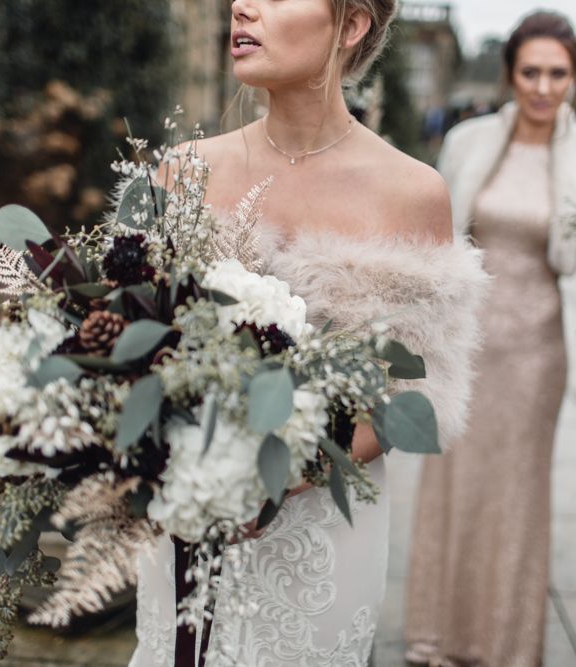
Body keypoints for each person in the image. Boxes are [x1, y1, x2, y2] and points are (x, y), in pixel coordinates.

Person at [129, 1, 487, 664]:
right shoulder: (180, 170)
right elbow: (133, 347)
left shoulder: (412, 193)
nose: (242, 6)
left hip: (321, 531)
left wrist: (281, 470)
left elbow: (416, 395)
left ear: (349, 25)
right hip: (187, 511)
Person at [405, 11, 576, 667]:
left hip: (535, 350)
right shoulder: (470, 141)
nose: (541, 86)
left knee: (515, 490)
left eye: (556, 73)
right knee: (451, 480)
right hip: (467, 339)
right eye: (529, 71)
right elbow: (438, 234)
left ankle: (505, 642)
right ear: (509, 73)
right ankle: (435, 637)